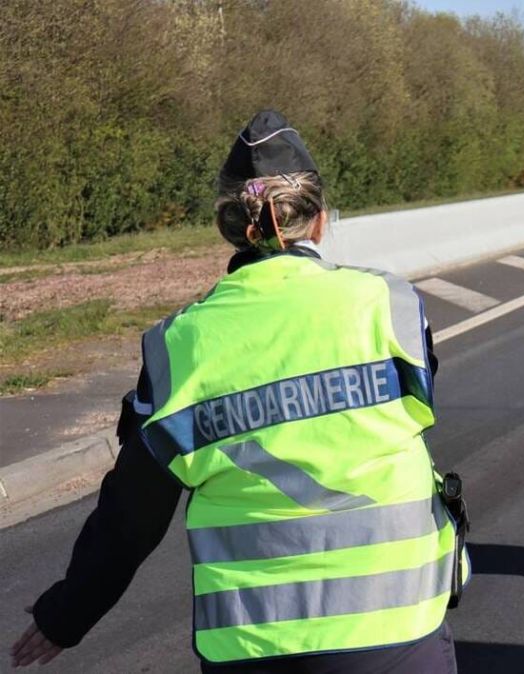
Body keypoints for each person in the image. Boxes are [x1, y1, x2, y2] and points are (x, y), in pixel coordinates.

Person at [9, 110, 466, 672]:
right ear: (320, 222)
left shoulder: (179, 345)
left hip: (255, 645)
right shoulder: (389, 305)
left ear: (228, 225)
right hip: (398, 626)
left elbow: (133, 516)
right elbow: (418, 408)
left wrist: (66, 616)